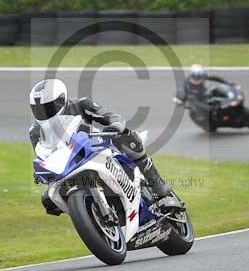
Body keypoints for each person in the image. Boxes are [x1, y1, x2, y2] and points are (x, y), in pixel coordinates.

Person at [29, 78, 183, 215]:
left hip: (98, 147)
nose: (44, 113)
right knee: (48, 199)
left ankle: (161, 190)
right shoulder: (35, 131)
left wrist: (116, 125)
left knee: (127, 137)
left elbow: (110, 116)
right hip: (69, 163)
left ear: (61, 101)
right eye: (38, 109)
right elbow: (43, 154)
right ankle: (91, 215)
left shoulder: (81, 104)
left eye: (48, 107)